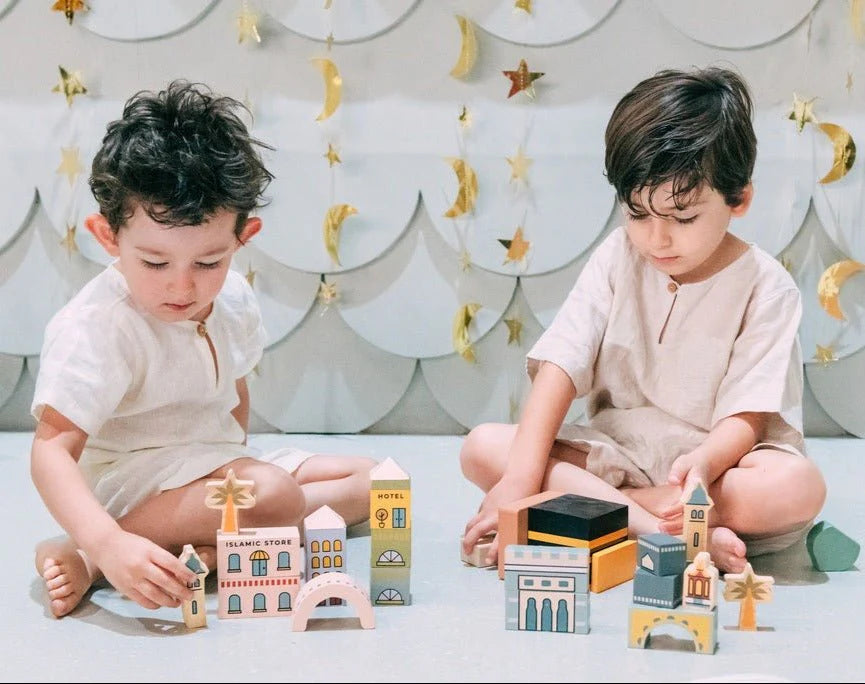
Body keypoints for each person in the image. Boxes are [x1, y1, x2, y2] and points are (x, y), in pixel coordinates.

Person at [31, 80, 377, 618]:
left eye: (208, 262)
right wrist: (107, 542)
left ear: (243, 237)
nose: (182, 286)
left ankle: (216, 545)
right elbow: (50, 452)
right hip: (134, 480)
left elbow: (234, 393)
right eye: (154, 262)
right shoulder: (99, 325)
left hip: (214, 466)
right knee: (275, 497)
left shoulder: (232, 299)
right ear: (108, 237)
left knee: (380, 481)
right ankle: (91, 556)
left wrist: (237, 468)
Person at [460, 66, 827, 574]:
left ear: (739, 199)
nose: (657, 239)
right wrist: (520, 481)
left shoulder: (768, 287)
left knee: (795, 487)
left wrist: (704, 464)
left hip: (716, 471)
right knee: (482, 448)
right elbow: (561, 364)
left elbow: (748, 415)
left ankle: (601, 512)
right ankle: (662, 532)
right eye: (637, 214)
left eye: (683, 218)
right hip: (619, 457)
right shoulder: (618, 257)